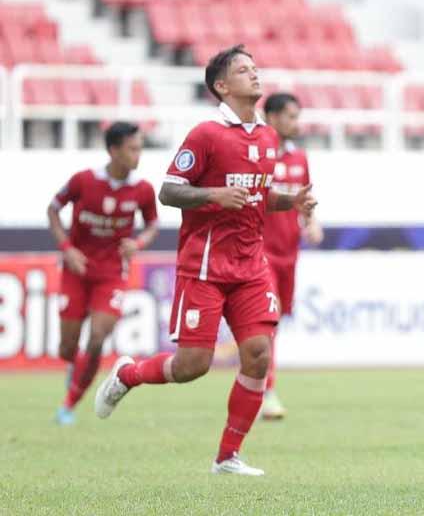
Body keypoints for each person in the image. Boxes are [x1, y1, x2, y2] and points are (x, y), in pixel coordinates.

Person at [93, 44, 316, 477]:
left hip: (252, 265)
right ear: (221, 85)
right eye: (243, 70)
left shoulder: (268, 138)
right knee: (193, 366)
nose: (255, 75)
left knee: (257, 353)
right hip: (205, 266)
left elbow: (255, 195)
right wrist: (213, 194)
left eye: (255, 68)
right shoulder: (206, 135)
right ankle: (128, 375)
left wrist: (291, 200)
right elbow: (170, 190)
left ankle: (227, 456)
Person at [48, 121, 158, 426]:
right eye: (132, 149)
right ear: (113, 150)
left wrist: (138, 242)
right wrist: (67, 248)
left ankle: (69, 403)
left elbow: (152, 224)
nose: (138, 155)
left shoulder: (142, 189)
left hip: (112, 274)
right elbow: (53, 209)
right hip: (77, 270)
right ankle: (78, 366)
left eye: (140, 148)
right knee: (66, 348)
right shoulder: (84, 181)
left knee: (98, 337)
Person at [260, 92, 323, 421]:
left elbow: (305, 199)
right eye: (290, 116)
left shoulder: (299, 157)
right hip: (260, 252)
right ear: (271, 117)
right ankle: (266, 390)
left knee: (276, 321)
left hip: (289, 251)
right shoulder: (259, 155)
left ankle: (256, 382)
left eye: (298, 116)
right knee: (267, 320)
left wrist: (311, 222)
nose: (296, 123)